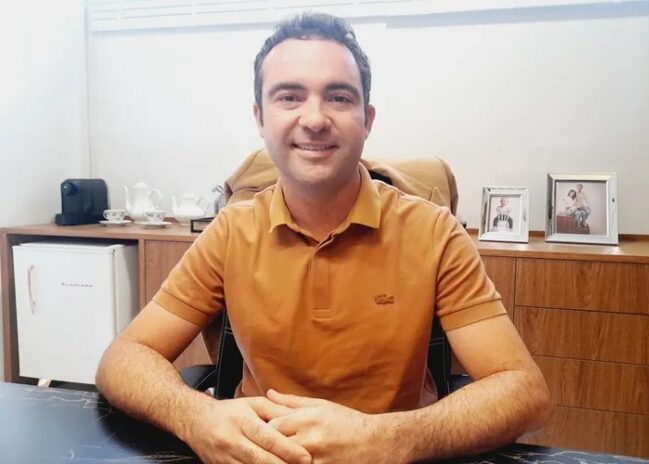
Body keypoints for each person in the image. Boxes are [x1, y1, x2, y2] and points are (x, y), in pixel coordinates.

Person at [96, 12, 551, 464]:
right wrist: (196, 416)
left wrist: (388, 439)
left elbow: (523, 391)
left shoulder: (433, 232)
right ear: (260, 117)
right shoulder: (231, 231)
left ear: (367, 119)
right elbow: (125, 357)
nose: (314, 119)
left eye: (338, 97)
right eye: (289, 97)